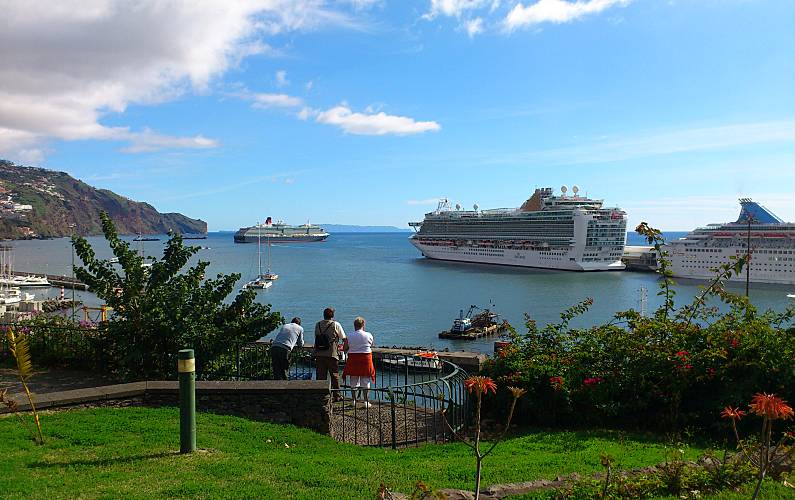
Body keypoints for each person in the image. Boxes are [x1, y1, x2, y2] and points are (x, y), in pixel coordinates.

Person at [342, 316, 375, 407]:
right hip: (366, 359)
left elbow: (345, 348)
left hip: (353, 359)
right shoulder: (369, 335)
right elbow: (372, 345)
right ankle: (366, 402)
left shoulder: (349, 336)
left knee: (353, 380)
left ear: (354, 325)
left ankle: (353, 401)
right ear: (363, 325)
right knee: (365, 381)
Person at [314, 307, 346, 391]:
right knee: (334, 375)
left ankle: (320, 393)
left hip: (319, 353)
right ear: (333, 315)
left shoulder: (318, 324)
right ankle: (337, 394)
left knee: (320, 376)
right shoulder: (335, 324)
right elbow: (344, 338)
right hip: (332, 353)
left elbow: (316, 337)